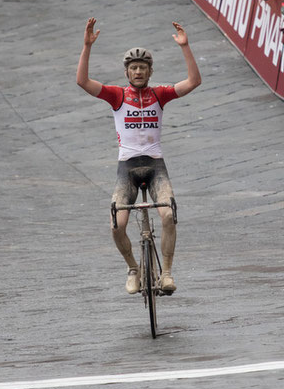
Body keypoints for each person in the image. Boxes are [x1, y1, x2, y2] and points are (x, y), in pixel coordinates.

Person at [77, 17, 201, 294]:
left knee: (168, 216)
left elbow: (194, 81)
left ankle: (166, 273)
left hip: (155, 166)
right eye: (133, 68)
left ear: (150, 71)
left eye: (142, 68)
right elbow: (82, 82)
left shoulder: (160, 94)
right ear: (127, 73)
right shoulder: (117, 96)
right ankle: (133, 268)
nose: (138, 72)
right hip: (127, 169)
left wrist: (185, 46)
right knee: (116, 224)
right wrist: (87, 47)